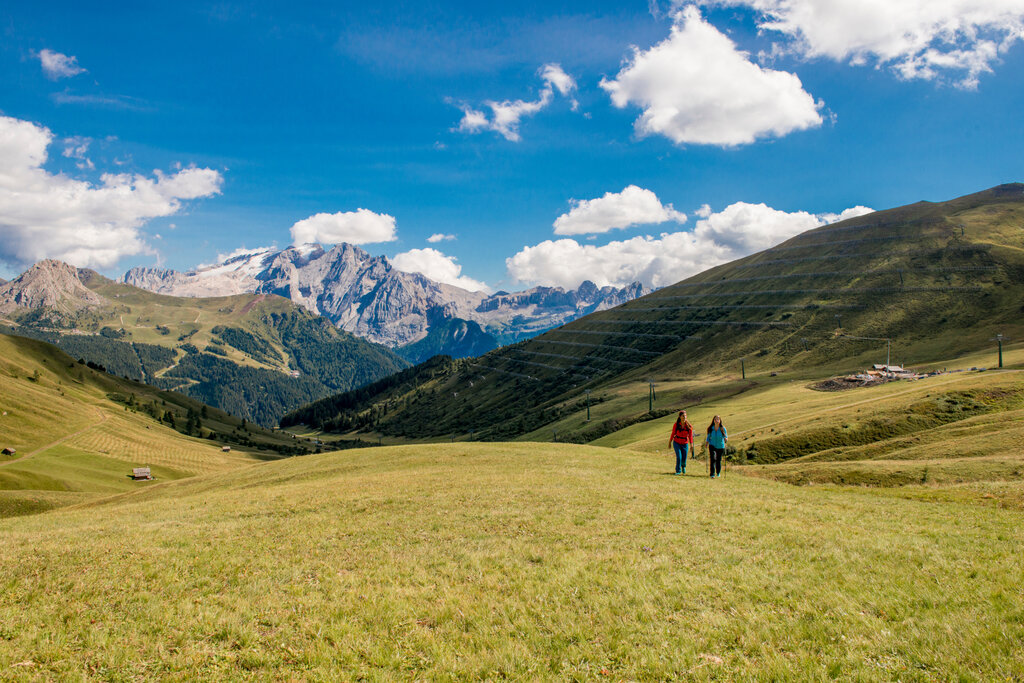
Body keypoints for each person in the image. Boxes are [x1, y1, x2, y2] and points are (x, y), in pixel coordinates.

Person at [668, 410, 694, 475]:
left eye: (685, 416)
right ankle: (678, 471)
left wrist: (691, 444)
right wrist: (670, 442)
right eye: (683, 416)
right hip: (677, 442)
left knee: (684, 457)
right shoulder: (676, 425)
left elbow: (690, 436)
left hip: (685, 443)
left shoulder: (689, 426)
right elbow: (673, 433)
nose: (684, 417)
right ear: (680, 417)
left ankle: (683, 467)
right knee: (679, 457)